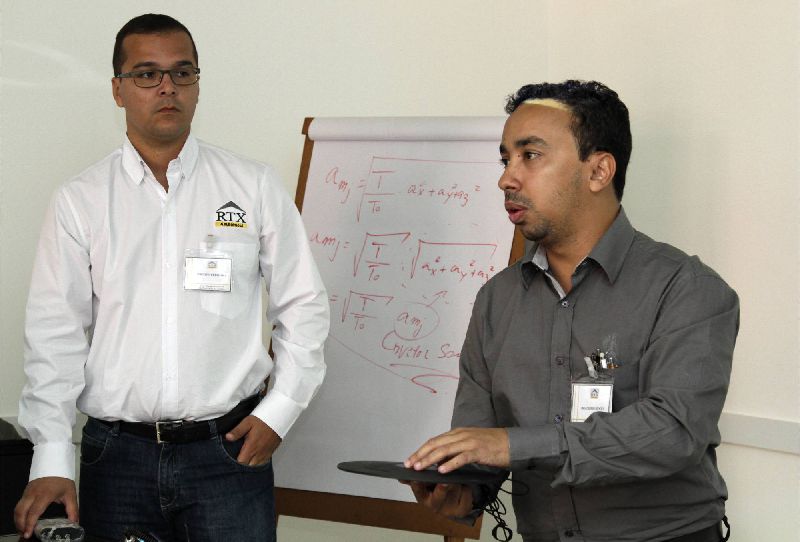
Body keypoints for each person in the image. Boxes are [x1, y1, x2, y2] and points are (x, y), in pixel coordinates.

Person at [14, 14, 329, 542]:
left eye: (182, 73)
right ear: (118, 89)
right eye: (146, 74)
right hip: (117, 458)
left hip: (229, 452)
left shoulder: (252, 186)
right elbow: (54, 334)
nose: (167, 87)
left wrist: (280, 411)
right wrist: (50, 456)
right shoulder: (80, 201)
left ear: (197, 85)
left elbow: (304, 306)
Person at [405, 81, 739, 542]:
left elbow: (672, 431)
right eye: (505, 159)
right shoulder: (496, 300)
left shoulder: (686, 288)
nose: (507, 179)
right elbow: (480, 440)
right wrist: (462, 491)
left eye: (530, 155)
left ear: (599, 171)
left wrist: (512, 445)